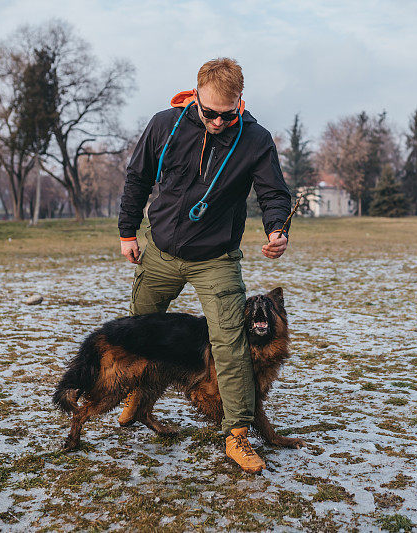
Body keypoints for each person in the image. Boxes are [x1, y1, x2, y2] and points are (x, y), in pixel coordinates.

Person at [117, 57, 291, 473]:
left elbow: (274, 193)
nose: (216, 122)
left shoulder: (255, 139)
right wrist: (127, 233)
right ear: (194, 97)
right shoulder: (164, 124)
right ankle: (137, 401)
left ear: (240, 104)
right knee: (137, 333)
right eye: (208, 112)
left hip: (216, 259)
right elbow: (137, 178)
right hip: (159, 251)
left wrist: (276, 230)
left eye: (226, 115)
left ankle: (237, 436)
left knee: (230, 347)